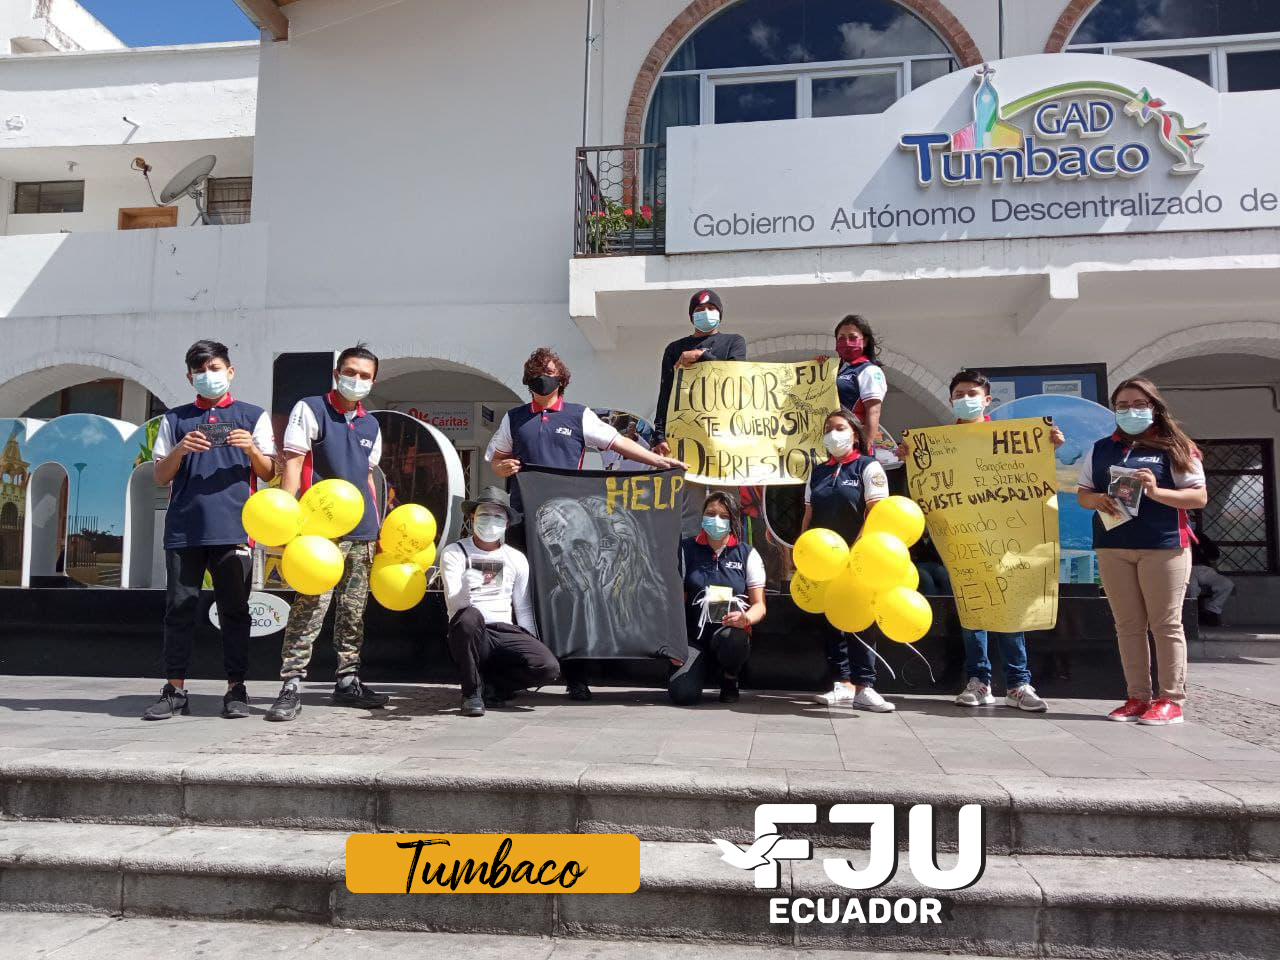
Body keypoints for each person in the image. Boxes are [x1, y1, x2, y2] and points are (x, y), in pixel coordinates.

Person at [486, 346, 686, 701]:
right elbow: (496, 459)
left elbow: (618, 443)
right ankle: (515, 672)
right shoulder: (513, 418)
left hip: (570, 525)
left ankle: (576, 676)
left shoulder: (579, 415)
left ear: (561, 380)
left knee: (574, 592)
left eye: (549, 373)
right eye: (536, 374)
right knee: (522, 594)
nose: (542, 379)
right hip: (524, 520)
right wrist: (502, 468)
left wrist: (658, 462)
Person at [145, 340, 276, 721]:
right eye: (200, 370)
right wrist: (181, 449)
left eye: (215, 368)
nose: (208, 375)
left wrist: (251, 449)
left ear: (230, 372)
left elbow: (270, 473)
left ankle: (236, 689)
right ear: (189, 377)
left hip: (235, 530)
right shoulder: (175, 419)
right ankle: (174, 689)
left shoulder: (253, 416)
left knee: (235, 612)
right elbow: (159, 476)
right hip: (184, 530)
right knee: (179, 610)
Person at [266, 344, 390, 722]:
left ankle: (348, 680)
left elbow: (368, 479)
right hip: (319, 532)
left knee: (353, 611)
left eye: (365, 375)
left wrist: (378, 528)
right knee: (311, 608)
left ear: (373, 381)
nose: (356, 380)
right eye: (350, 372)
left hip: (362, 533)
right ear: (337, 374)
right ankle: (291, 685)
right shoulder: (311, 408)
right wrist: (286, 519)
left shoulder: (371, 425)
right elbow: (293, 463)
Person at [1076, 377, 1207, 726]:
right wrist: (1097, 499)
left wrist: (1155, 491)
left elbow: (1198, 497)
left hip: (1164, 546)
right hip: (1113, 546)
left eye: (1138, 404)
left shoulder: (1177, 447)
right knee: (1127, 625)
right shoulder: (1101, 448)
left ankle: (1171, 700)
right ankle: (1137, 697)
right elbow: (1082, 494)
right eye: (1122, 406)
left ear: (1154, 407)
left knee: (1165, 624)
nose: (1130, 411)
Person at [935, 370, 1063, 713]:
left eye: (972, 393)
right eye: (959, 394)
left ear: (987, 400)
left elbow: (1032, 474)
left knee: (1010, 609)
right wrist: (910, 456)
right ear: (950, 400)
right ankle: (979, 681)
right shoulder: (940, 443)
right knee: (973, 610)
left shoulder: (1008, 438)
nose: (965, 399)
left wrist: (1048, 447)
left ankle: (1018, 684)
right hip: (964, 540)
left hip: (1007, 538)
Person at [440, 486, 559, 717]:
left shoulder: (515, 558)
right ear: (472, 517)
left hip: (504, 630)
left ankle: (493, 686)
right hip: (471, 631)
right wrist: (465, 586)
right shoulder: (455, 552)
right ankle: (471, 695)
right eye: (484, 514)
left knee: (548, 667)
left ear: (507, 523)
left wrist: (530, 642)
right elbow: (454, 606)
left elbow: (523, 607)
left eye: (498, 516)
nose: (490, 520)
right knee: (470, 617)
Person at [803, 409, 893, 712]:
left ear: (855, 434)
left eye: (840, 428)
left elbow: (877, 513)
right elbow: (808, 514)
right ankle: (842, 683)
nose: (833, 433)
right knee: (831, 621)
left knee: (860, 620)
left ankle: (865, 685)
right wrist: (801, 550)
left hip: (859, 557)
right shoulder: (818, 472)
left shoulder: (868, 467)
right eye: (828, 428)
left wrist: (857, 549)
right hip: (824, 560)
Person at [670, 492, 767, 705]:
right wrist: (673, 645)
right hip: (692, 638)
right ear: (702, 516)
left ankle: (729, 678)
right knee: (683, 695)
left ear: (733, 520)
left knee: (734, 638)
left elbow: (759, 606)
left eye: (723, 516)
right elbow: (673, 602)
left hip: (728, 634)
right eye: (711, 513)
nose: (716, 520)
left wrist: (746, 619)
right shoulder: (686, 550)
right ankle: (697, 669)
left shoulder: (747, 554)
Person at [651, 289, 748, 457]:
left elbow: (734, 377)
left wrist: (702, 356)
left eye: (711, 308)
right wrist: (659, 436)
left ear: (719, 313)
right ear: (692, 316)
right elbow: (666, 393)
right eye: (699, 309)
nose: (706, 312)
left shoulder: (734, 342)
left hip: (725, 433)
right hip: (685, 434)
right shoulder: (674, 349)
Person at [816, 315, 887, 455]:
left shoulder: (869, 371)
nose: (847, 342)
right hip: (828, 445)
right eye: (841, 338)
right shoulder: (834, 369)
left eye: (852, 337)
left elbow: (873, 412)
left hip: (853, 448)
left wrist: (864, 451)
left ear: (865, 341)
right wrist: (814, 368)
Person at [1188, 523, 1234, 627]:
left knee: (1226, 584)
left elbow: (1214, 554)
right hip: (1188, 568)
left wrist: (1202, 547)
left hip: (1205, 569)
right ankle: (1192, 616)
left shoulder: (1200, 536)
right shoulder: (1179, 535)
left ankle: (1212, 611)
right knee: (1192, 590)